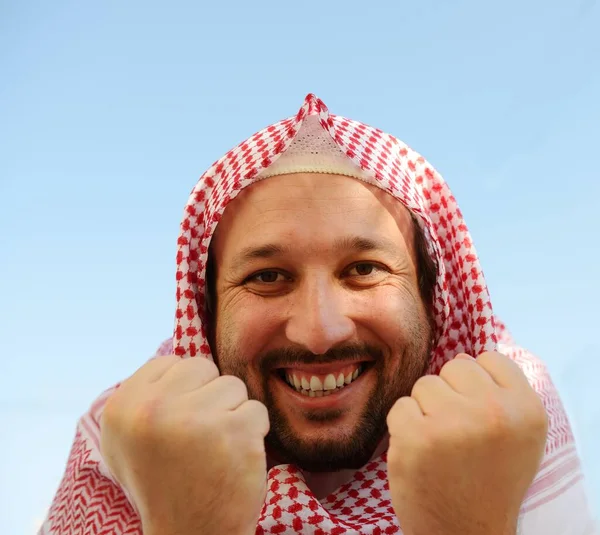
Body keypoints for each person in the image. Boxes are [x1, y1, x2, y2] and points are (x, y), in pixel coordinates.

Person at [39, 94, 596, 535]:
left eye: (364, 269)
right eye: (267, 277)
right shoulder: (124, 447)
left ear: (435, 297)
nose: (320, 331)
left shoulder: (513, 424)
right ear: (206, 315)